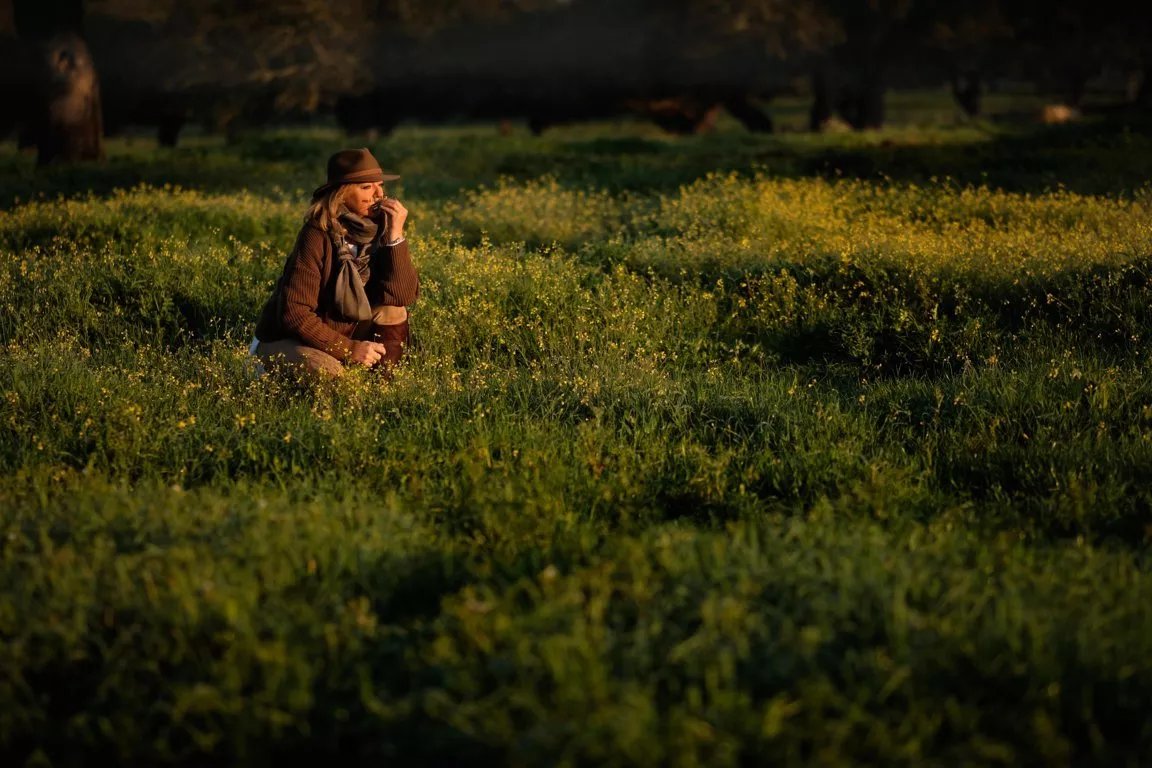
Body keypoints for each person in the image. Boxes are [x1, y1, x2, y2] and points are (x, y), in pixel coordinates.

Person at [251, 147, 419, 379]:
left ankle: (383, 387)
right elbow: (295, 313)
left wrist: (395, 237)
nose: (378, 194)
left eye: (380, 185)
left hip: (342, 334)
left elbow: (402, 297)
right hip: (289, 340)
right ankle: (263, 366)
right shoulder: (317, 234)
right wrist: (349, 350)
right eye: (366, 187)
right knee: (331, 376)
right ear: (342, 192)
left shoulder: (380, 229)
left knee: (393, 310)